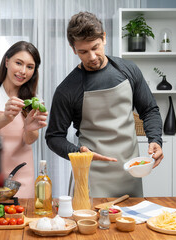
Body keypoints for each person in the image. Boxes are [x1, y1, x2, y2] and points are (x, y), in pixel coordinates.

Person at [45, 12, 163, 198]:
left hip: (130, 172)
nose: (92, 56)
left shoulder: (129, 70)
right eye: (83, 51)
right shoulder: (67, 89)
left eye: (95, 47)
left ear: (104, 38)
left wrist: (155, 139)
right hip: (90, 175)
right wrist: (78, 153)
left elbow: (149, 110)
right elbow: (53, 137)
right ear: (73, 49)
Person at [0, 41, 48, 198]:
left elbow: (29, 140)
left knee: (21, 220)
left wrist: (29, 128)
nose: (23, 71)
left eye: (29, 67)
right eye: (18, 63)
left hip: (21, 176)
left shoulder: (34, 101)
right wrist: (6, 117)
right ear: (7, 62)